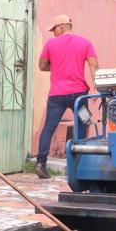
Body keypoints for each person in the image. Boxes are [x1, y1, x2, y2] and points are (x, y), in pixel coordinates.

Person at [35, 14, 98, 179]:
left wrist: (55, 66)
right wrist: (98, 89)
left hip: (56, 96)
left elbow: (42, 66)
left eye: (54, 29)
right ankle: (80, 165)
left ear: (61, 26)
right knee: (85, 123)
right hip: (79, 96)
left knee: (48, 128)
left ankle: (41, 163)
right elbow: (94, 65)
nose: (53, 33)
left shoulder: (51, 44)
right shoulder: (85, 43)